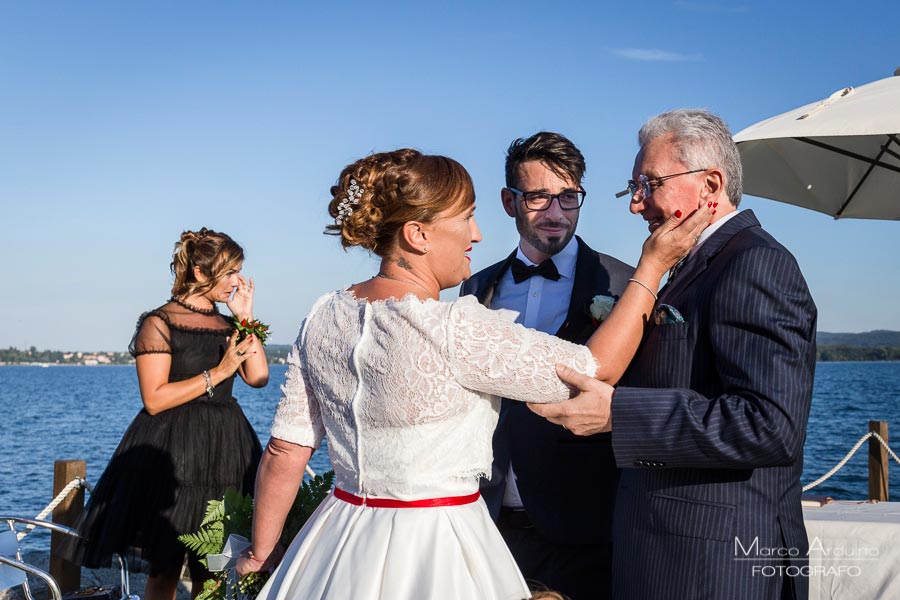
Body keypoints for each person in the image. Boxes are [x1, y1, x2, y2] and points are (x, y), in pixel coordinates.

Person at [236, 148, 710, 600]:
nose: (477, 234)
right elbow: (593, 370)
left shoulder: (323, 314)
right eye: (466, 218)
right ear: (418, 235)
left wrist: (262, 552)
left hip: (338, 539)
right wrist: (652, 267)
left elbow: (285, 449)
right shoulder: (452, 327)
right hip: (438, 543)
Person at [530, 109, 817, 599]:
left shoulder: (756, 263)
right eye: (633, 186)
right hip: (664, 556)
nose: (636, 204)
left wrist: (618, 412)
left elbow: (770, 426)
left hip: (714, 568)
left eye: (650, 183)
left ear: (710, 184)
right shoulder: (691, 266)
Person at [460, 131, 630, 600]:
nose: (556, 214)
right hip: (487, 521)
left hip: (586, 528)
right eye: (538, 197)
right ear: (508, 201)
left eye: (569, 198)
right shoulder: (475, 288)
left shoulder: (623, 284)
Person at [62, 228, 268, 600]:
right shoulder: (158, 323)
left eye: (240, 270)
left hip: (227, 450)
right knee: (165, 570)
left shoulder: (229, 325)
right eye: (230, 272)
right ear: (202, 273)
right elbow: (154, 399)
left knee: (217, 570)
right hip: (172, 454)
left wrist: (246, 318)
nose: (238, 281)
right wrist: (218, 373)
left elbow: (258, 376)